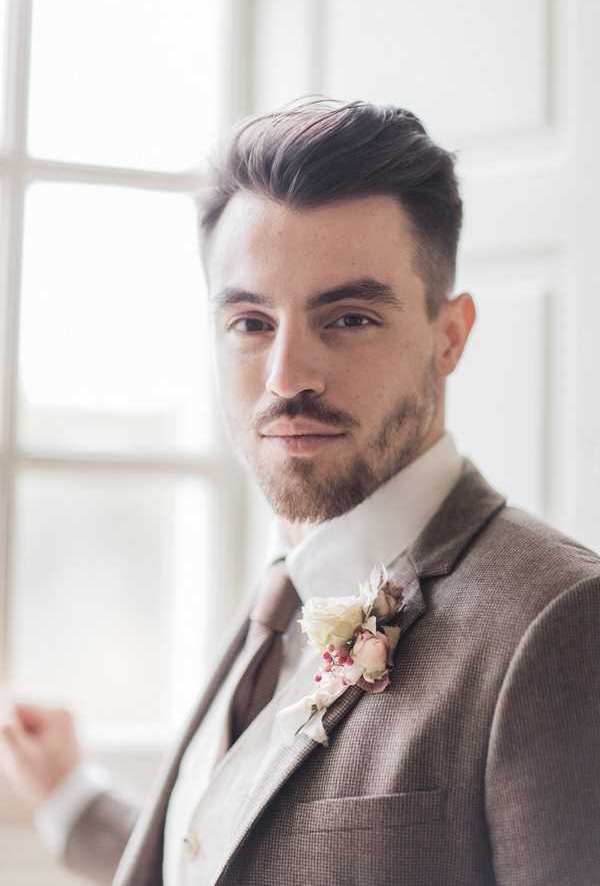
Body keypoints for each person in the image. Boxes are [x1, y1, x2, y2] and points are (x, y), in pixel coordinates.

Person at [1, 97, 599, 886]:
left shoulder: (560, 626)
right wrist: (75, 803)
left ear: (449, 335)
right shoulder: (282, 594)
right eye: (251, 323)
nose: (287, 378)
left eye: (348, 318)